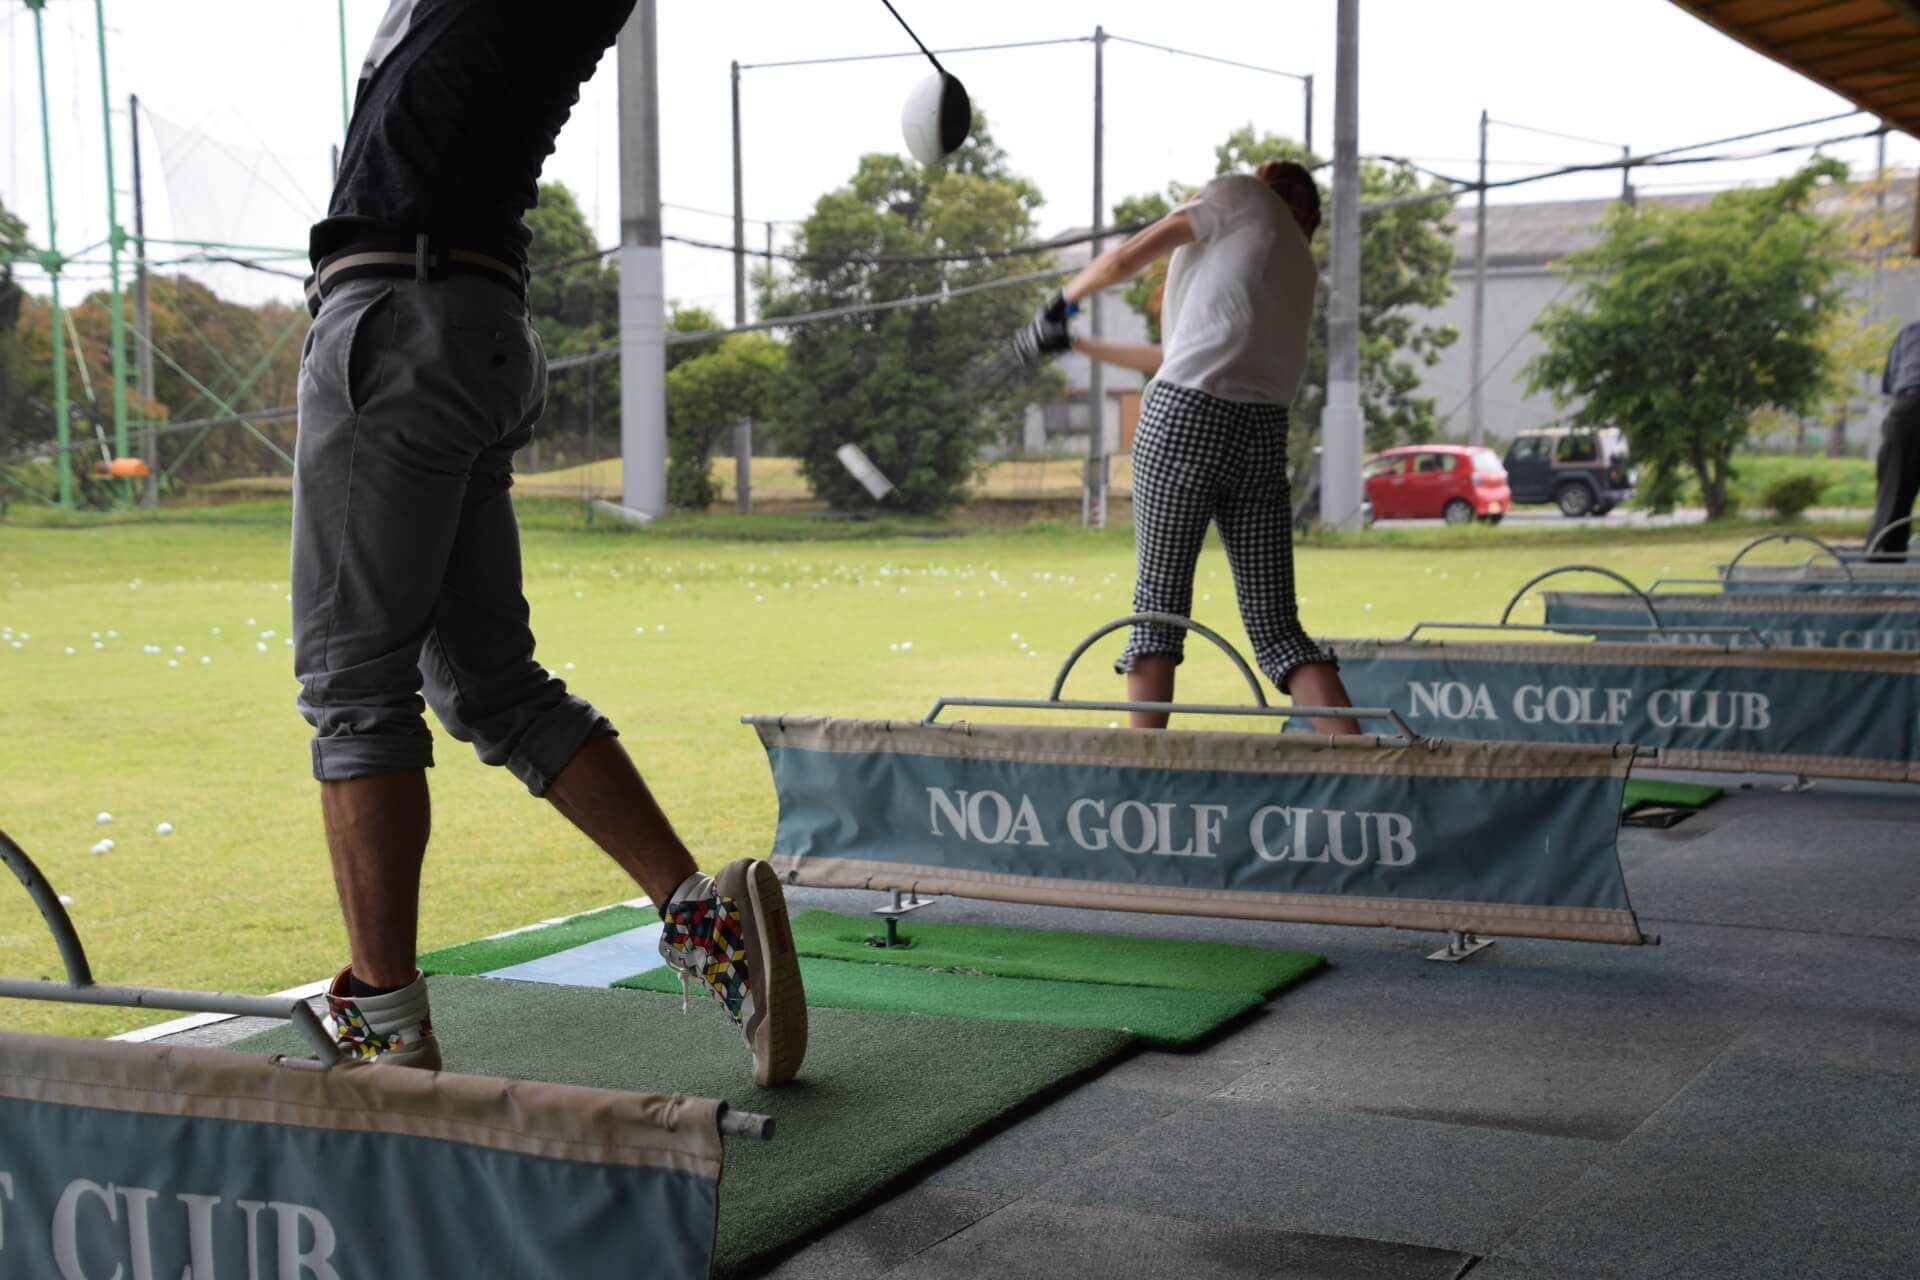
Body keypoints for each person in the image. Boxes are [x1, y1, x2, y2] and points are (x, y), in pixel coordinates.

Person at [292, 0, 806, 1085]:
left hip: (398, 315)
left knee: (353, 688)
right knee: (492, 683)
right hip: (467, 324)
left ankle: (387, 1028)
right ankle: (706, 919)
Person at [1011, 161, 1361, 733]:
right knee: (1278, 627)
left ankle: (1144, 779)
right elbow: (1172, 356)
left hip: (1185, 420)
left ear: (1262, 182)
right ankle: (1366, 769)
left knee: (1158, 606)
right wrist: (1075, 342)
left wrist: (1062, 300)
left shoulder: (1238, 194)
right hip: (1262, 434)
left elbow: (1126, 258)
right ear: (1311, 215)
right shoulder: (1298, 263)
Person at [1866, 319, 1920, 562]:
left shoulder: (1910, 332)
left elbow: (1889, 384)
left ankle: (1881, 575)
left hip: (1906, 410)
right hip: (1909, 407)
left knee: (1893, 498)